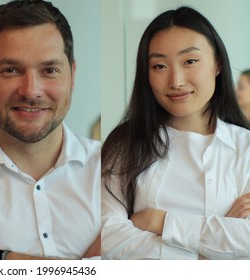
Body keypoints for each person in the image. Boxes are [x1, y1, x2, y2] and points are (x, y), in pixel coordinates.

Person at [0, 0, 101, 260]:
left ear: (72, 76)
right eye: (11, 70)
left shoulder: (117, 170)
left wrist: (3, 260)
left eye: (49, 70)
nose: (31, 90)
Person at [102, 6, 250, 259]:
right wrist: (206, 258)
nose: (176, 81)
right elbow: (110, 236)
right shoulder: (126, 145)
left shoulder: (245, 147)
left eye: (190, 61)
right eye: (159, 66)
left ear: (217, 64)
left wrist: (162, 222)